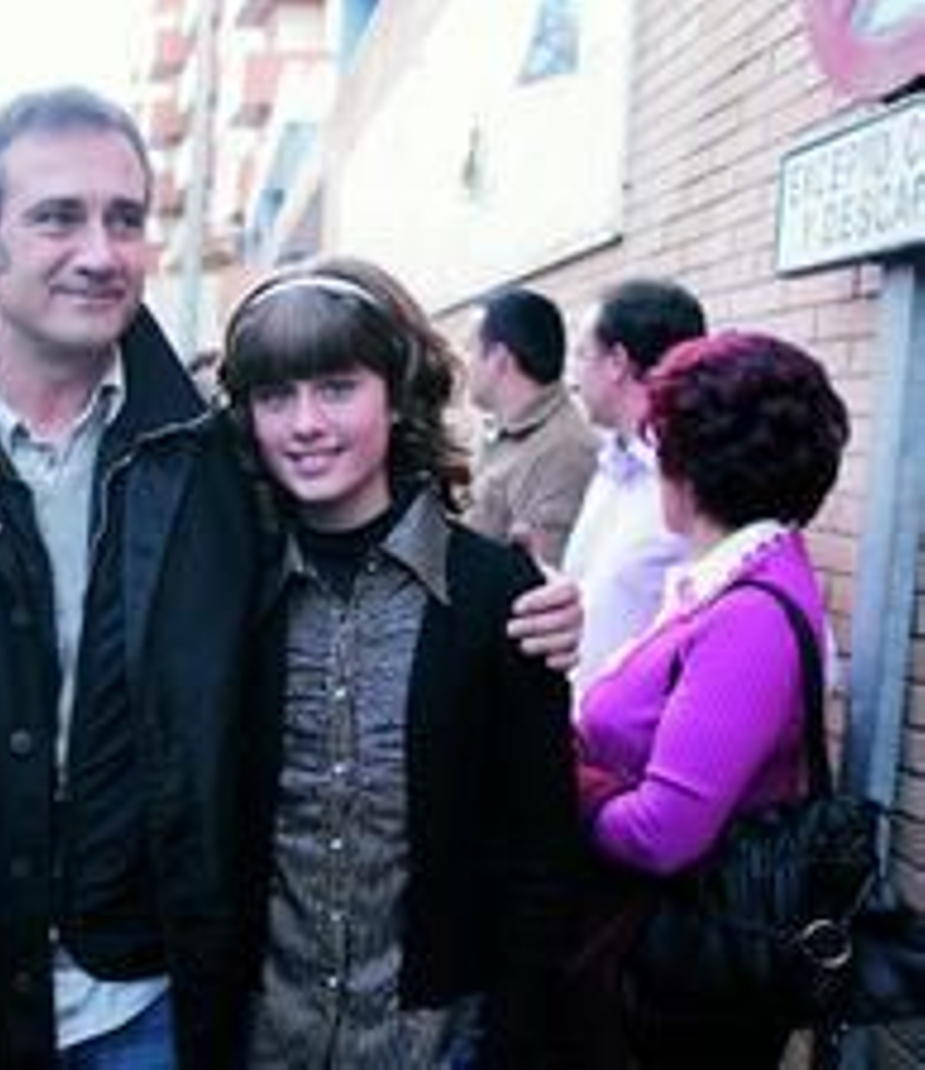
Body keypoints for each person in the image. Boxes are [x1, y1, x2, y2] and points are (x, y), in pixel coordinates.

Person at [0, 86, 583, 1069]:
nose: (100, 250)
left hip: (155, 1005)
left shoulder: (211, 466)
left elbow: (367, 542)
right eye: (57, 215)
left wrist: (528, 603)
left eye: (126, 218)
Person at [221, 256, 579, 1067]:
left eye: (337, 387)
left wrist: (515, 1040)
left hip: (435, 1042)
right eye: (277, 396)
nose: (306, 422)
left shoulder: (497, 594)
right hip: (263, 1036)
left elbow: (541, 849)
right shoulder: (226, 592)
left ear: (397, 392)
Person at [575, 330, 850, 1066]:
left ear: (686, 463)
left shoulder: (748, 618)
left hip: (681, 976)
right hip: (666, 962)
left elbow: (665, 833)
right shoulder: (735, 578)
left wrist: (560, 774)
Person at [562, 279, 705, 694]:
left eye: (582, 354)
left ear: (617, 362)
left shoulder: (693, 482)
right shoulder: (611, 465)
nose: (572, 377)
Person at [464, 287, 598, 567]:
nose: (465, 364)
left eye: (470, 349)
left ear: (499, 358)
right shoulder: (504, 431)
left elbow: (540, 582)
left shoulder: (565, 451)